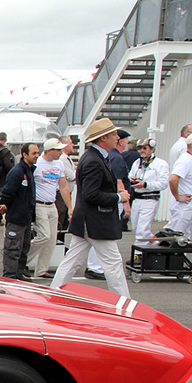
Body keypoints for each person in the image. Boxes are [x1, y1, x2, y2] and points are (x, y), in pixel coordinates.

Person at [50, 118, 132, 298]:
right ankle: (124, 304)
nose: (117, 137)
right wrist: (119, 197)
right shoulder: (95, 160)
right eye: (113, 135)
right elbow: (91, 194)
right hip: (96, 221)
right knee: (113, 263)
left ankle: (54, 293)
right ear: (103, 139)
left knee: (72, 261)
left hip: (89, 220)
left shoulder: (95, 157)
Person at [25, 139, 73, 279]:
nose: (60, 153)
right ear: (49, 151)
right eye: (57, 150)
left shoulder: (59, 164)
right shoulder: (37, 164)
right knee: (44, 235)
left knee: (52, 238)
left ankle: (41, 269)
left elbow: (63, 186)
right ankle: (23, 260)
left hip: (52, 204)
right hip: (39, 204)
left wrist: (70, 206)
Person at [0, 143, 40, 281]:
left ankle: (18, 274)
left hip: (26, 217)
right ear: (25, 154)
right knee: (12, 249)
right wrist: (4, 204)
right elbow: (8, 192)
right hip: (16, 217)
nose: (37, 156)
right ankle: (9, 277)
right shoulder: (17, 172)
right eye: (34, 153)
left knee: (24, 248)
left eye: (38, 153)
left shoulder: (30, 170)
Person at [128, 138, 171, 248]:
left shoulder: (160, 164)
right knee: (136, 228)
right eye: (140, 148)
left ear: (152, 149)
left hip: (150, 199)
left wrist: (146, 184)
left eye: (144, 148)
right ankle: (156, 242)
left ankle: (138, 254)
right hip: (137, 199)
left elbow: (163, 183)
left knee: (142, 229)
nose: (142, 150)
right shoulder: (137, 163)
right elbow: (130, 175)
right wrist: (132, 179)